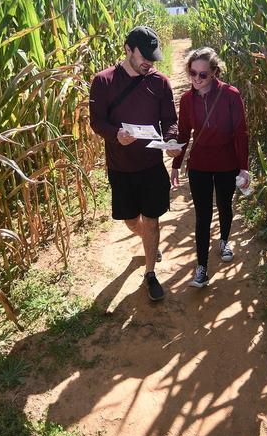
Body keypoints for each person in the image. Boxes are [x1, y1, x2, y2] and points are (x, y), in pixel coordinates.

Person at [89, 26, 178, 301]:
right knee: (131, 221)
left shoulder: (159, 82)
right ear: (128, 49)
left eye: (153, 57)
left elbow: (170, 121)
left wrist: (172, 140)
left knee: (152, 221)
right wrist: (116, 135)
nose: (149, 62)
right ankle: (146, 241)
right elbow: (97, 121)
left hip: (152, 166)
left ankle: (150, 273)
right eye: (144, 56)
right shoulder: (103, 81)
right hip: (121, 167)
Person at [170, 47, 250, 288]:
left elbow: (240, 133)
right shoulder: (186, 99)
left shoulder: (230, 95)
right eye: (192, 73)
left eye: (202, 75)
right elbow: (183, 133)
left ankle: (224, 240)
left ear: (214, 72)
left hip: (227, 163)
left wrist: (243, 168)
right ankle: (201, 267)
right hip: (200, 165)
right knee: (202, 216)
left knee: (225, 205)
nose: (196, 79)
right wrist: (176, 164)